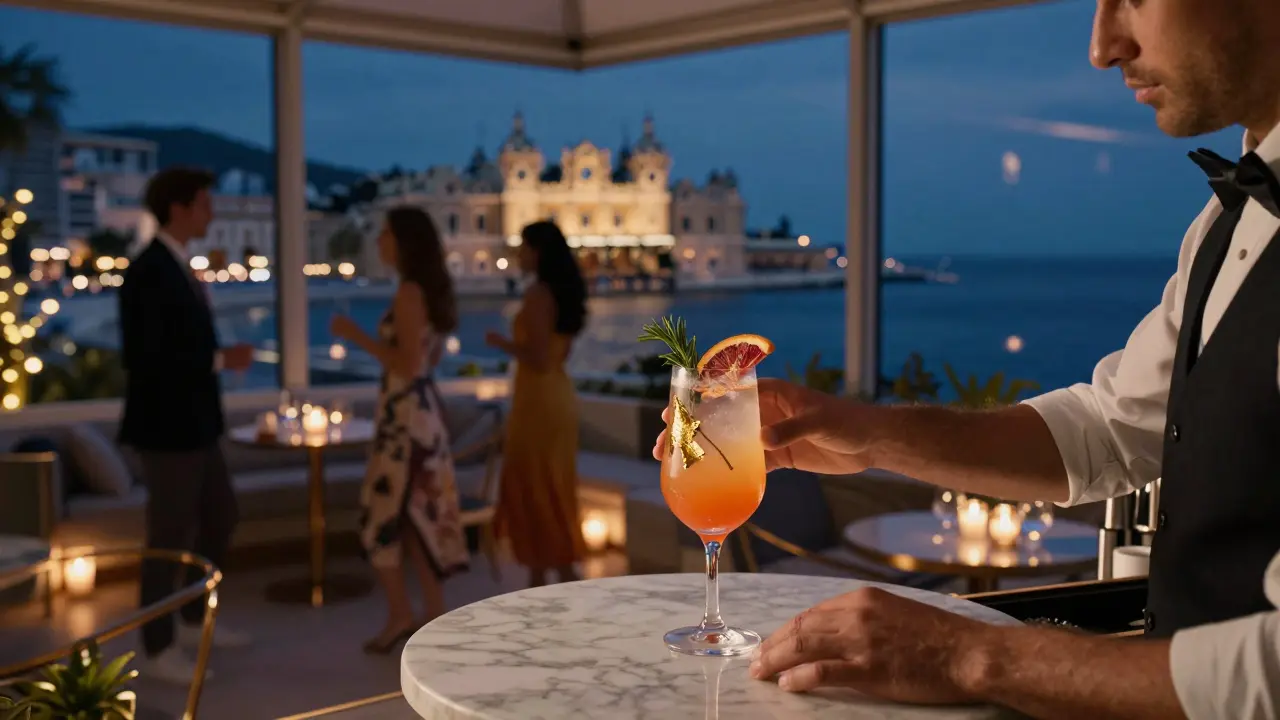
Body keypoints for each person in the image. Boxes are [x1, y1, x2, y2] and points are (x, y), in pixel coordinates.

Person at [654, 1, 1280, 716]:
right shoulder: (1232, 219)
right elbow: (1110, 428)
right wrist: (870, 433)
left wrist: (971, 654)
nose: (1103, 47)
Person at [119, 167, 255, 684]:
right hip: (168, 429)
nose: (211, 212)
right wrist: (220, 360)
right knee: (168, 535)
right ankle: (155, 645)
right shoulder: (151, 271)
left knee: (220, 518)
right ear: (179, 208)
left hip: (194, 426)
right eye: (204, 203)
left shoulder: (175, 267)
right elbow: (149, 356)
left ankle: (194, 619)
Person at [330, 206, 469, 654]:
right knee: (417, 520)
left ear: (404, 242)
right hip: (418, 413)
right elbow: (425, 364)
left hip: (405, 420)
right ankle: (429, 616)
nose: (378, 242)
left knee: (381, 517)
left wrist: (356, 335)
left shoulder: (410, 293)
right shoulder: (426, 292)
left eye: (386, 234)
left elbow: (407, 365)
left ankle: (404, 614)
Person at [485, 221, 588, 588]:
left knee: (534, 484)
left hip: (539, 402)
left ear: (538, 252)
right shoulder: (562, 294)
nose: (519, 255)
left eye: (524, 247)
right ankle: (549, 568)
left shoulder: (539, 296)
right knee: (549, 483)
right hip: (554, 395)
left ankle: (549, 570)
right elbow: (558, 354)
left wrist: (502, 343)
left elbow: (540, 357)